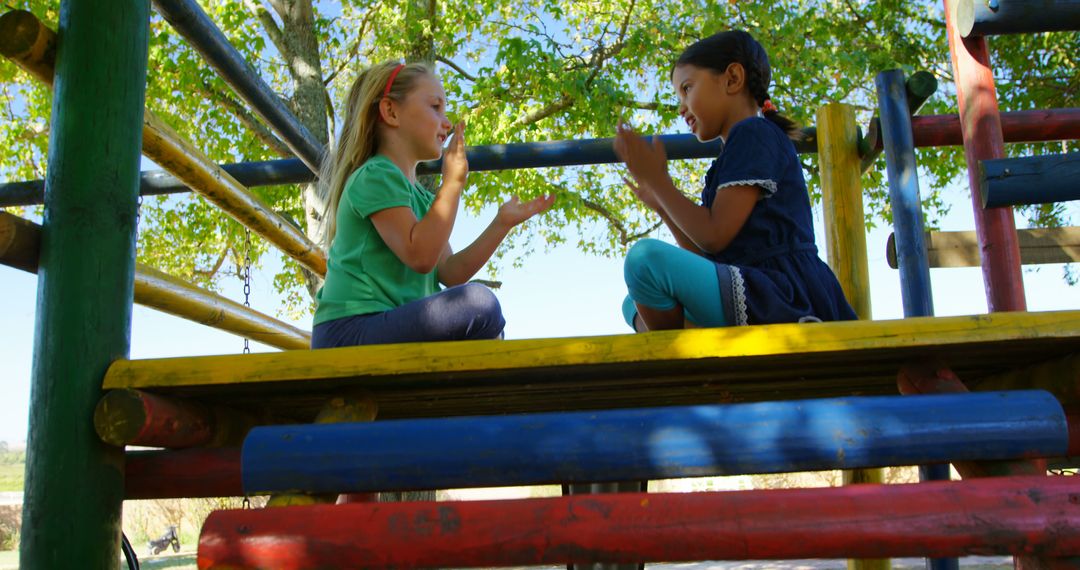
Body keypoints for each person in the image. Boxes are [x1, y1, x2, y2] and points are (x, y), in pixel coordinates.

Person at [613, 30, 856, 331]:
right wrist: (662, 205)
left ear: (732, 79)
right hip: (746, 287)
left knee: (644, 261)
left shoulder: (755, 133)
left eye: (687, 88)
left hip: (779, 294)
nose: (681, 107)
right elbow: (707, 255)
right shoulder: (728, 159)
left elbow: (714, 235)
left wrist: (661, 182)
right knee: (634, 300)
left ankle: (682, 367)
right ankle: (696, 357)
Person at [311, 61, 554, 348]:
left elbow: (451, 272)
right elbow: (421, 256)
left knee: (478, 306)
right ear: (391, 111)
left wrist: (501, 224)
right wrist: (451, 184)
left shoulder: (422, 198)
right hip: (349, 331)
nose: (447, 122)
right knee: (479, 303)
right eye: (435, 107)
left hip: (384, 327)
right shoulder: (375, 175)